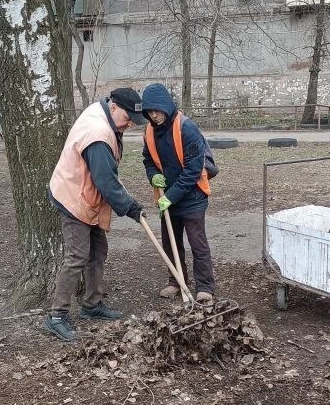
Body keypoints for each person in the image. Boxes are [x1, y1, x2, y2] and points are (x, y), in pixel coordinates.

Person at [44, 88, 146, 342]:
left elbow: (106, 177)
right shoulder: (98, 134)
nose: (131, 124)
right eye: (128, 118)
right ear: (113, 107)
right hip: (74, 197)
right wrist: (132, 208)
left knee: (98, 251)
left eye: (135, 120)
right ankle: (56, 316)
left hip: (87, 194)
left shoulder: (102, 113)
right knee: (77, 256)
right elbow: (106, 182)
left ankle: (92, 305)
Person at [141, 83, 215, 304]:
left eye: (157, 110)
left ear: (166, 105)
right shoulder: (149, 131)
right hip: (168, 199)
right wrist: (152, 175)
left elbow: (193, 170)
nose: (154, 116)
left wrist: (170, 196)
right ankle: (176, 281)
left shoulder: (187, 128)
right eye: (150, 112)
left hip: (192, 196)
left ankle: (205, 286)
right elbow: (147, 159)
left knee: (197, 243)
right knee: (170, 242)